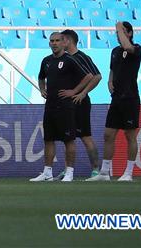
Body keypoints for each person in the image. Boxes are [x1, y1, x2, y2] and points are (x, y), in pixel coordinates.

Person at [31, 33, 93, 182]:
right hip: (50, 106)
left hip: (66, 106)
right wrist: (42, 89)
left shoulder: (70, 60)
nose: (54, 43)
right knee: (49, 139)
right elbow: (41, 77)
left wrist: (75, 91)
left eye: (57, 41)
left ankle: (70, 172)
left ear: (63, 43)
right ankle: (47, 172)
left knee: (68, 140)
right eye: (52, 41)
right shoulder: (46, 61)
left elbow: (89, 76)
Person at [89, 21, 141, 182]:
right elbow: (112, 70)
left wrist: (119, 27)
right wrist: (109, 81)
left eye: (121, 32)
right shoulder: (115, 52)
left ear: (130, 33)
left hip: (130, 98)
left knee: (130, 135)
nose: (118, 35)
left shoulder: (137, 48)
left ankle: (128, 172)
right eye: (117, 32)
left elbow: (128, 47)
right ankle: (105, 172)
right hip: (116, 98)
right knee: (108, 135)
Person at [59, 29, 103, 179]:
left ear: (68, 41)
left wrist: (82, 93)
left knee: (85, 136)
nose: (58, 43)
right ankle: (67, 170)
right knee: (68, 138)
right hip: (66, 104)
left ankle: (96, 170)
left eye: (61, 39)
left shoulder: (81, 57)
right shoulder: (63, 58)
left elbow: (97, 76)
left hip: (80, 102)